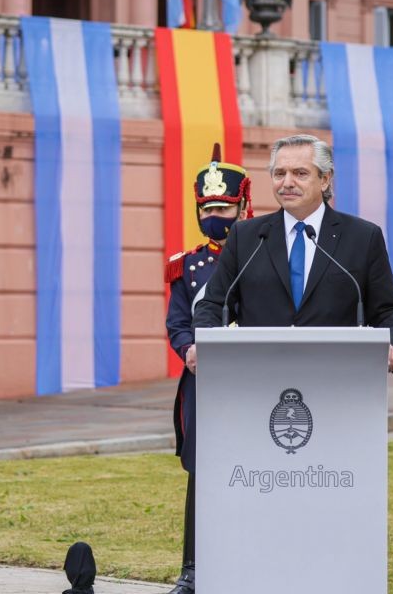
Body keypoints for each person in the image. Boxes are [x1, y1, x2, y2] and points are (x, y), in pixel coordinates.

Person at [192, 133, 393, 368]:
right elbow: (212, 304)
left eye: (300, 173)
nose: (287, 182)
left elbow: (390, 311)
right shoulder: (245, 236)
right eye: (279, 173)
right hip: (259, 375)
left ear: (325, 179)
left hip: (337, 376)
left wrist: (391, 345)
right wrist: (203, 343)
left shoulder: (363, 237)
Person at [163, 144, 252, 594]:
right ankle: (193, 570)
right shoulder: (186, 265)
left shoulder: (262, 253)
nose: (215, 214)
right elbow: (177, 321)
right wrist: (188, 350)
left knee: (255, 471)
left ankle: (248, 562)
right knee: (202, 475)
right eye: (208, 207)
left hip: (252, 382)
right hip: (203, 381)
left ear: (242, 206)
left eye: (223, 206)